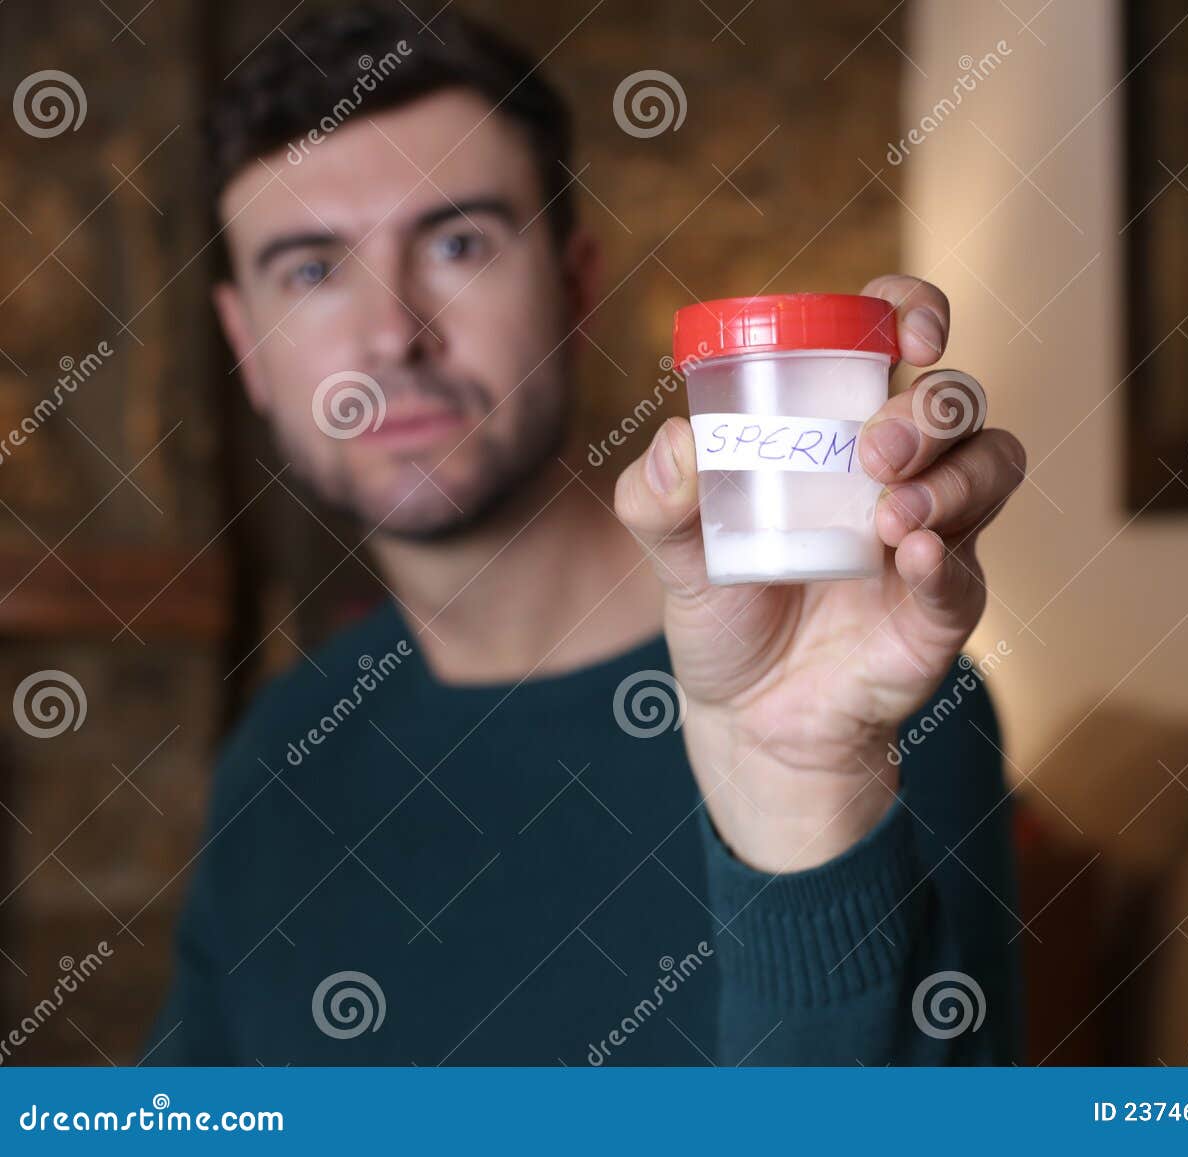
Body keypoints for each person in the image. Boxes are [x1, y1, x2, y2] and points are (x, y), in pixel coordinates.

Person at [147, 3, 1026, 1065]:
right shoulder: (280, 753)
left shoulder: (869, 704)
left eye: (458, 243)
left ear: (575, 287)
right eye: (312, 270)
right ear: (246, 344)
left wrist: (807, 791)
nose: (394, 333)